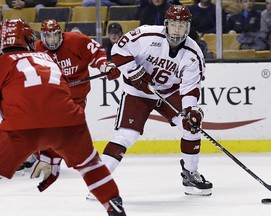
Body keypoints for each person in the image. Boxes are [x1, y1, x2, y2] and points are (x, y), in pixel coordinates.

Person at [0, 18, 126, 216]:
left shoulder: (4, 62)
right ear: (30, 39)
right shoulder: (47, 59)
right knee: (91, 165)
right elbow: (53, 106)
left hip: (23, 127)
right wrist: (49, 156)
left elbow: (35, 114)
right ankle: (112, 202)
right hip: (70, 121)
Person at [102, 4, 213, 196]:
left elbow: (190, 87)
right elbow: (119, 50)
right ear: (166, 24)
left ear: (188, 27)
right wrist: (133, 71)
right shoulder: (147, 35)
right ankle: (100, 182)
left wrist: (190, 110)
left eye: (182, 25)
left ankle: (190, 174)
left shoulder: (193, 53)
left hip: (169, 92)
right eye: (173, 24)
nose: (177, 29)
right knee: (126, 135)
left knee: (191, 126)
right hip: (138, 92)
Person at [16, 19, 120, 173]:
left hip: (76, 97)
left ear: (61, 34)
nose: (52, 40)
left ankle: (55, 156)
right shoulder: (35, 49)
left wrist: (105, 66)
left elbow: (97, 52)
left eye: (55, 35)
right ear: (42, 36)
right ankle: (35, 156)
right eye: (48, 36)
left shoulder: (77, 41)